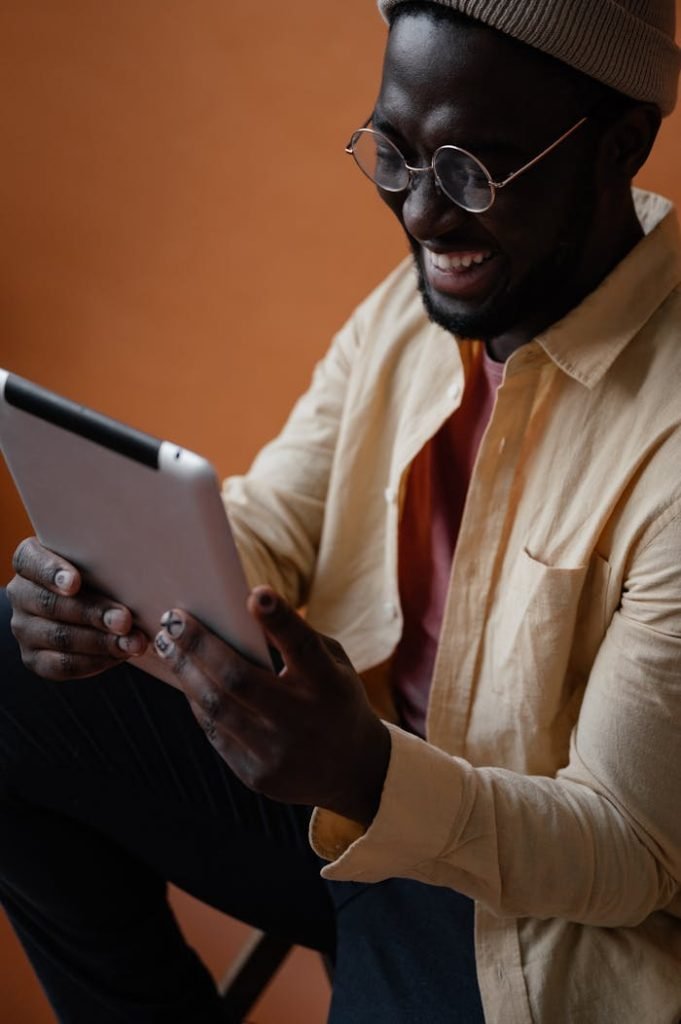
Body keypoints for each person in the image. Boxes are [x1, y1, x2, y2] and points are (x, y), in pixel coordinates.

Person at [2, 0, 681, 1020]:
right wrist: (116, 588)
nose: (421, 215)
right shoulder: (416, 309)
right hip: (340, 787)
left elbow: (628, 852)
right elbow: (275, 519)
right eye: (396, 154)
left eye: (471, 171)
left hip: (537, 921)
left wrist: (369, 772)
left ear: (619, 145)